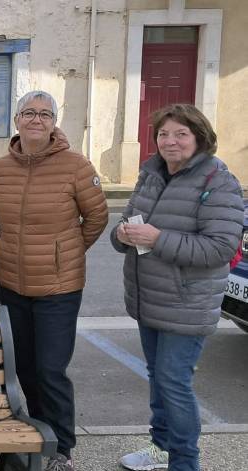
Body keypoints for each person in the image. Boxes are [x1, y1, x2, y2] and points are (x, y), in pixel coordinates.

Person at [112, 104, 243, 471]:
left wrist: (156, 238)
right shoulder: (151, 175)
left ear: (200, 138)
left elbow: (220, 247)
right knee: (159, 379)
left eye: (181, 134)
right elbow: (127, 223)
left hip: (188, 303)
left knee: (174, 382)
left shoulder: (218, 180)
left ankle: (185, 462)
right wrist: (121, 234)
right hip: (148, 298)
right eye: (164, 134)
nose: (170, 142)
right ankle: (161, 447)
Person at [0, 90, 108, 471]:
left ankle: (62, 450)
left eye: (44, 114)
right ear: (17, 120)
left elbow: (98, 218)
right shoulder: (0, 169)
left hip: (59, 287)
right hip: (12, 282)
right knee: (24, 367)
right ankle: (40, 433)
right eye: (28, 112)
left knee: (51, 369)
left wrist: (65, 253)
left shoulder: (76, 165)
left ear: (54, 122)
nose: (36, 119)